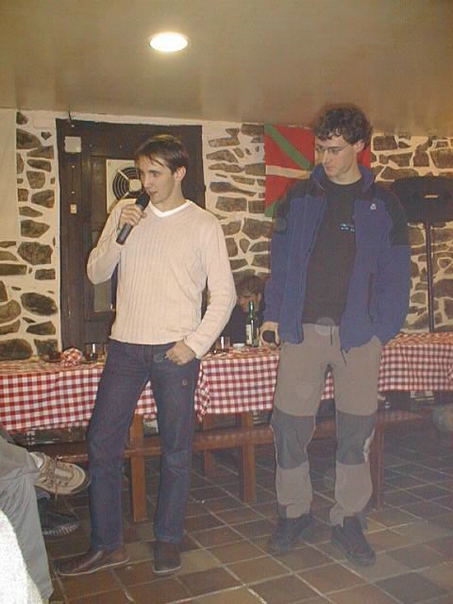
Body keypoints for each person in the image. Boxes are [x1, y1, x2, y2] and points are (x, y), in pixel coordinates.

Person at [58, 134, 236, 577]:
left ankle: (168, 539)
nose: (146, 182)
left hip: (174, 350)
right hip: (125, 346)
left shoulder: (203, 224)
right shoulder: (126, 212)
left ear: (179, 173)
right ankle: (107, 544)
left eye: (155, 173)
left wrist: (194, 344)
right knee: (102, 442)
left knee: (175, 448)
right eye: (141, 173)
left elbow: (225, 295)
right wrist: (120, 237)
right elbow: (96, 272)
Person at [261, 105, 411, 566]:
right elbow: (281, 263)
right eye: (320, 148)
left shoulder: (384, 203)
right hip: (302, 331)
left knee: (356, 431)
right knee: (289, 427)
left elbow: (396, 274)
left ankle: (348, 519)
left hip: (359, 335)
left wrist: (382, 330)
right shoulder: (298, 197)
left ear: (359, 147)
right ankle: (295, 512)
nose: (324, 158)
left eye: (334, 149)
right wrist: (272, 315)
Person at [223, 274, 265, 344]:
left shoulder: (267, 316)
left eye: (246, 297)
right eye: (240, 297)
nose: (241, 302)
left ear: (258, 297)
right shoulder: (234, 315)